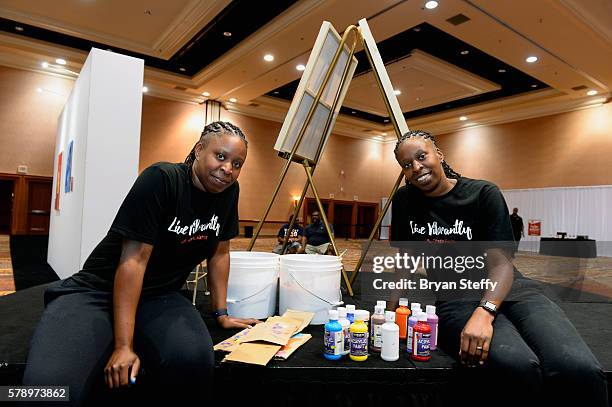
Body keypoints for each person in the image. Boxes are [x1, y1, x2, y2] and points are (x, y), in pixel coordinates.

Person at [23, 121, 261, 406]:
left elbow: (220, 252)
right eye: (220, 156)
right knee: (48, 387)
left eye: (237, 163)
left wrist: (220, 312)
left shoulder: (228, 193)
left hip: (159, 295)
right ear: (199, 150)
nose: (228, 169)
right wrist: (125, 346)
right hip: (96, 291)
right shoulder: (161, 178)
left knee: (193, 360)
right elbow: (134, 261)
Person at [391, 130, 607, 406]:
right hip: (457, 299)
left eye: (421, 156)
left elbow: (501, 264)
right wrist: (390, 309)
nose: (416, 167)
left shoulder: (482, 193)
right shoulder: (405, 201)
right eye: (407, 165)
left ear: (439, 155)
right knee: (516, 364)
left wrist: (485, 312)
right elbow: (406, 259)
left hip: (514, 288)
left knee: (577, 367)